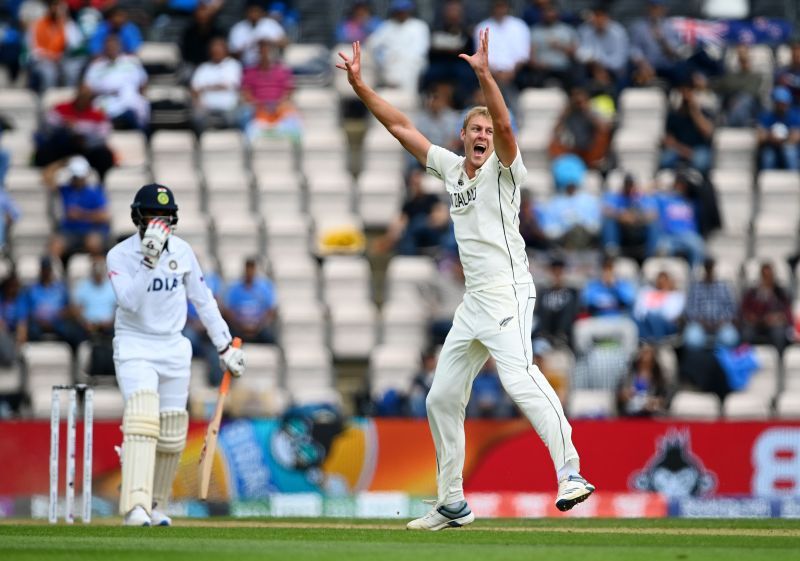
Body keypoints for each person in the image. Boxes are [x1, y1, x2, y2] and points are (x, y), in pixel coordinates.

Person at [336, 30, 594, 531]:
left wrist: (482, 74)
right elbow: (402, 127)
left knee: (519, 376)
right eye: (474, 130)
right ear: (462, 137)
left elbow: (504, 120)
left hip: (510, 291)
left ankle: (570, 473)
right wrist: (362, 88)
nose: (482, 135)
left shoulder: (504, 169)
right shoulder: (453, 170)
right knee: (441, 397)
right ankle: (452, 501)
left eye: (486, 132)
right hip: (474, 302)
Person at [105, 183, 246, 526]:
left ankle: (155, 504)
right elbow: (130, 302)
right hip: (135, 344)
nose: (158, 224)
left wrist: (224, 346)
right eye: (153, 216)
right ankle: (134, 506)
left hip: (173, 347)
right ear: (139, 218)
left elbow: (203, 300)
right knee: (142, 419)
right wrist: (148, 261)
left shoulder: (182, 251)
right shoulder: (120, 256)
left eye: (165, 218)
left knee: (171, 431)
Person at [740, 262, 793, 354]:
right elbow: (745, 309)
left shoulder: (779, 292)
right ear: (761, 275)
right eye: (765, 275)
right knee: (746, 333)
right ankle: (745, 360)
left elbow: (786, 312)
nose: (767, 278)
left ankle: (780, 362)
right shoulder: (753, 292)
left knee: (779, 334)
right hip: (756, 323)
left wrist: (777, 318)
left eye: (770, 275)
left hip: (774, 324)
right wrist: (752, 317)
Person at [222, 257, 277, 344]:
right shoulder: (234, 288)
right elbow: (228, 311)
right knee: (228, 340)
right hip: (238, 329)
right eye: (248, 269)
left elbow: (271, 311)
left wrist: (258, 326)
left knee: (270, 338)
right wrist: (240, 326)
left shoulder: (265, 287)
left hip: (259, 329)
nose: (250, 272)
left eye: (252, 269)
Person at [616, 343, 668, 417]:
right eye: (643, 352)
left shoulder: (658, 377)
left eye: (648, 353)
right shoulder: (628, 374)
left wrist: (656, 402)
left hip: (650, 414)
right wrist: (624, 395)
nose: (644, 355)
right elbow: (618, 395)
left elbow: (664, 397)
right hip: (630, 413)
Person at [756, 86, 800, 171]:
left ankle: (793, 180)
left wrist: (784, 139)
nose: (781, 106)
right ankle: (767, 181)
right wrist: (770, 137)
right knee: (768, 156)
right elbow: (760, 136)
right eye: (779, 103)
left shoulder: (795, 116)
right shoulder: (766, 116)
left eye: (783, 103)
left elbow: (797, 136)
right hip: (771, 146)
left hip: (788, 146)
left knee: (789, 152)